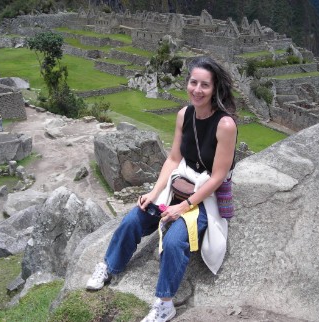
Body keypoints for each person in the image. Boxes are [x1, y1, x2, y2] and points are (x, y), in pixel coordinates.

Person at [86, 56, 237, 322]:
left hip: (204, 196)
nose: (197, 90)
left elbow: (218, 177)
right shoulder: (184, 114)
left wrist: (185, 206)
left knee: (174, 240)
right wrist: (154, 193)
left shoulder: (225, 125)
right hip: (179, 184)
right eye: (193, 83)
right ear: (187, 83)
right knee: (134, 216)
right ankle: (109, 266)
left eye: (205, 85)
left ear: (215, 89)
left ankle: (164, 303)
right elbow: (173, 158)